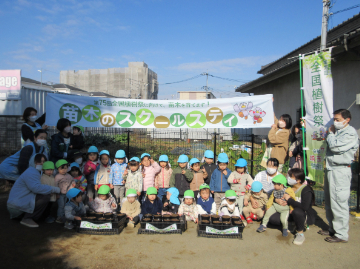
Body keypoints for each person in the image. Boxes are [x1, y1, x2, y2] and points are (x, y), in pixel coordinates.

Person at [320, 109, 359, 243]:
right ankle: (332, 228)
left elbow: (336, 147)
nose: (335, 122)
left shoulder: (350, 133)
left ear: (346, 120)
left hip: (341, 170)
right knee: (330, 201)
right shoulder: (338, 131)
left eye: (337, 119)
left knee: (339, 202)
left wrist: (330, 134)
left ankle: (341, 234)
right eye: (334, 119)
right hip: (331, 169)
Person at [7, 153, 60, 228]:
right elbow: (36, 188)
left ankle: (32, 216)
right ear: (33, 162)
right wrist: (54, 189)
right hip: (16, 206)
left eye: (44, 161)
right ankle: (27, 218)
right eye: (39, 161)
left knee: (46, 194)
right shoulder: (31, 172)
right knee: (45, 197)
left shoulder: (34, 171)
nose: (42, 163)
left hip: (16, 204)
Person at [269, 168, 317, 245]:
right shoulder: (288, 187)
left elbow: (305, 207)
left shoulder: (306, 190)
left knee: (297, 211)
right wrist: (276, 200)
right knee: (272, 218)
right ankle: (292, 223)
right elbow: (276, 194)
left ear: (298, 180)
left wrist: (289, 200)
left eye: (291, 177)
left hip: (303, 214)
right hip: (287, 211)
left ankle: (300, 233)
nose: (288, 178)